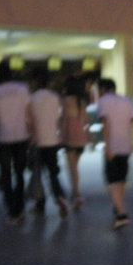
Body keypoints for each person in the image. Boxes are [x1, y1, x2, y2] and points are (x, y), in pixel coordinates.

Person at [0, 62, 30, 224]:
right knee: (20, 174)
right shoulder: (22, 89)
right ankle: (20, 206)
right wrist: (32, 134)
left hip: (3, 139)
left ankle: (12, 210)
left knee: (6, 175)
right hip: (22, 137)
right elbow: (28, 115)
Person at [97, 78, 133, 229]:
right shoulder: (127, 101)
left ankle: (122, 214)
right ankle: (119, 208)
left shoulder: (104, 101)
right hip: (125, 145)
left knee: (112, 181)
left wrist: (107, 146)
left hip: (113, 146)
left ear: (103, 89)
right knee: (121, 179)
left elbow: (106, 123)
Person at [26, 71, 69, 217]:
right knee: (52, 173)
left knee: (37, 174)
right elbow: (59, 118)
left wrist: (31, 138)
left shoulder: (31, 98)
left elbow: (29, 121)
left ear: (35, 82)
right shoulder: (54, 97)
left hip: (37, 141)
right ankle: (59, 197)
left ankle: (40, 202)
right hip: (52, 140)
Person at [60, 75, 89, 209]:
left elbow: (63, 120)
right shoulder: (82, 101)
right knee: (75, 167)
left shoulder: (66, 100)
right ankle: (75, 192)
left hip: (69, 136)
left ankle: (76, 193)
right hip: (81, 137)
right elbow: (86, 120)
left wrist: (60, 136)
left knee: (72, 167)